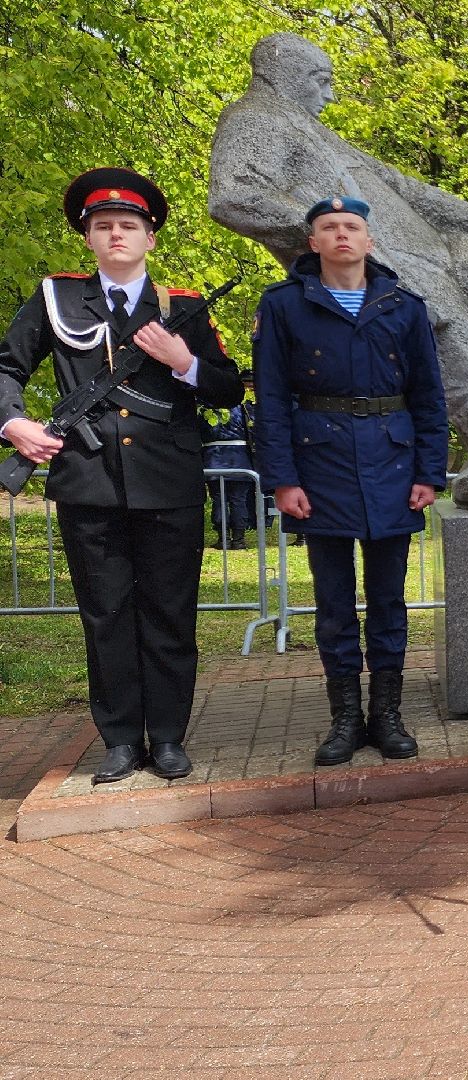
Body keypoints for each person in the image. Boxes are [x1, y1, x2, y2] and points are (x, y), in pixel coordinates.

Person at [0, 168, 244, 784]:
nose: (115, 235)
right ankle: (116, 740)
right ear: (87, 238)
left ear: (150, 239)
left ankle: (166, 739)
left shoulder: (182, 308)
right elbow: (5, 368)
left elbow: (226, 387)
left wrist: (184, 362)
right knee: (106, 615)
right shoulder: (56, 299)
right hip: (89, 482)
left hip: (168, 484)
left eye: (128, 226)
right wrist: (13, 426)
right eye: (103, 226)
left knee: (169, 614)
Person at [250, 195, 449, 767]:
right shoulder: (285, 305)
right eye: (329, 228)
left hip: (391, 462)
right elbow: (271, 401)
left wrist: (429, 473)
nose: (341, 235)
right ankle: (344, 719)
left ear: (369, 240)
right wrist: (282, 479)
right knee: (333, 602)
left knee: (389, 599)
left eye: (351, 227)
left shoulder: (404, 307)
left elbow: (429, 398)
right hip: (321, 467)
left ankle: (387, 715)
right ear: (312, 243)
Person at [200, 374, 259, 550]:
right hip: (239, 458)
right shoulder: (244, 408)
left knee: (219, 499)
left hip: (213, 459)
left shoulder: (206, 408)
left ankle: (223, 537)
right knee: (238, 500)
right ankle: (238, 539)